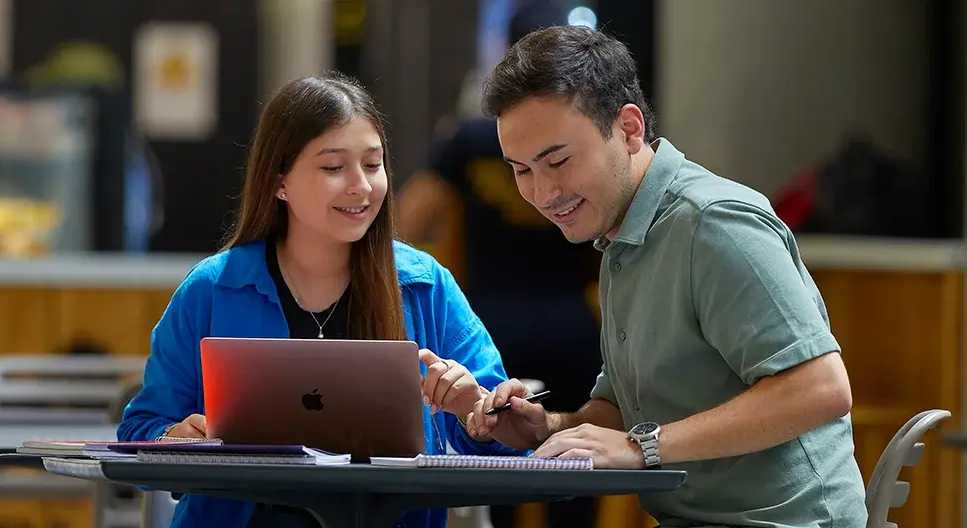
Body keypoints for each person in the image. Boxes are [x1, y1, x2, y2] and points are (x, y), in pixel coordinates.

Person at [465, 25, 868, 528]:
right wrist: (549, 426)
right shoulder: (621, 232)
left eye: (559, 161)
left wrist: (643, 447)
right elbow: (624, 413)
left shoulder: (713, 222)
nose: (543, 193)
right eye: (521, 170)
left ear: (629, 129)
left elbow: (821, 388)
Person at [118, 72, 522, 528]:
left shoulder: (426, 286)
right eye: (334, 168)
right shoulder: (212, 288)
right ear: (279, 182)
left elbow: (511, 435)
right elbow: (139, 431)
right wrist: (175, 438)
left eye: (373, 165)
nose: (361, 187)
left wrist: (476, 408)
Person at [395, 7, 601, 527]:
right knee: (579, 466)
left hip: (493, 323)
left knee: (500, 469)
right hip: (571, 322)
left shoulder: (469, 141)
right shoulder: (585, 138)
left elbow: (407, 222)